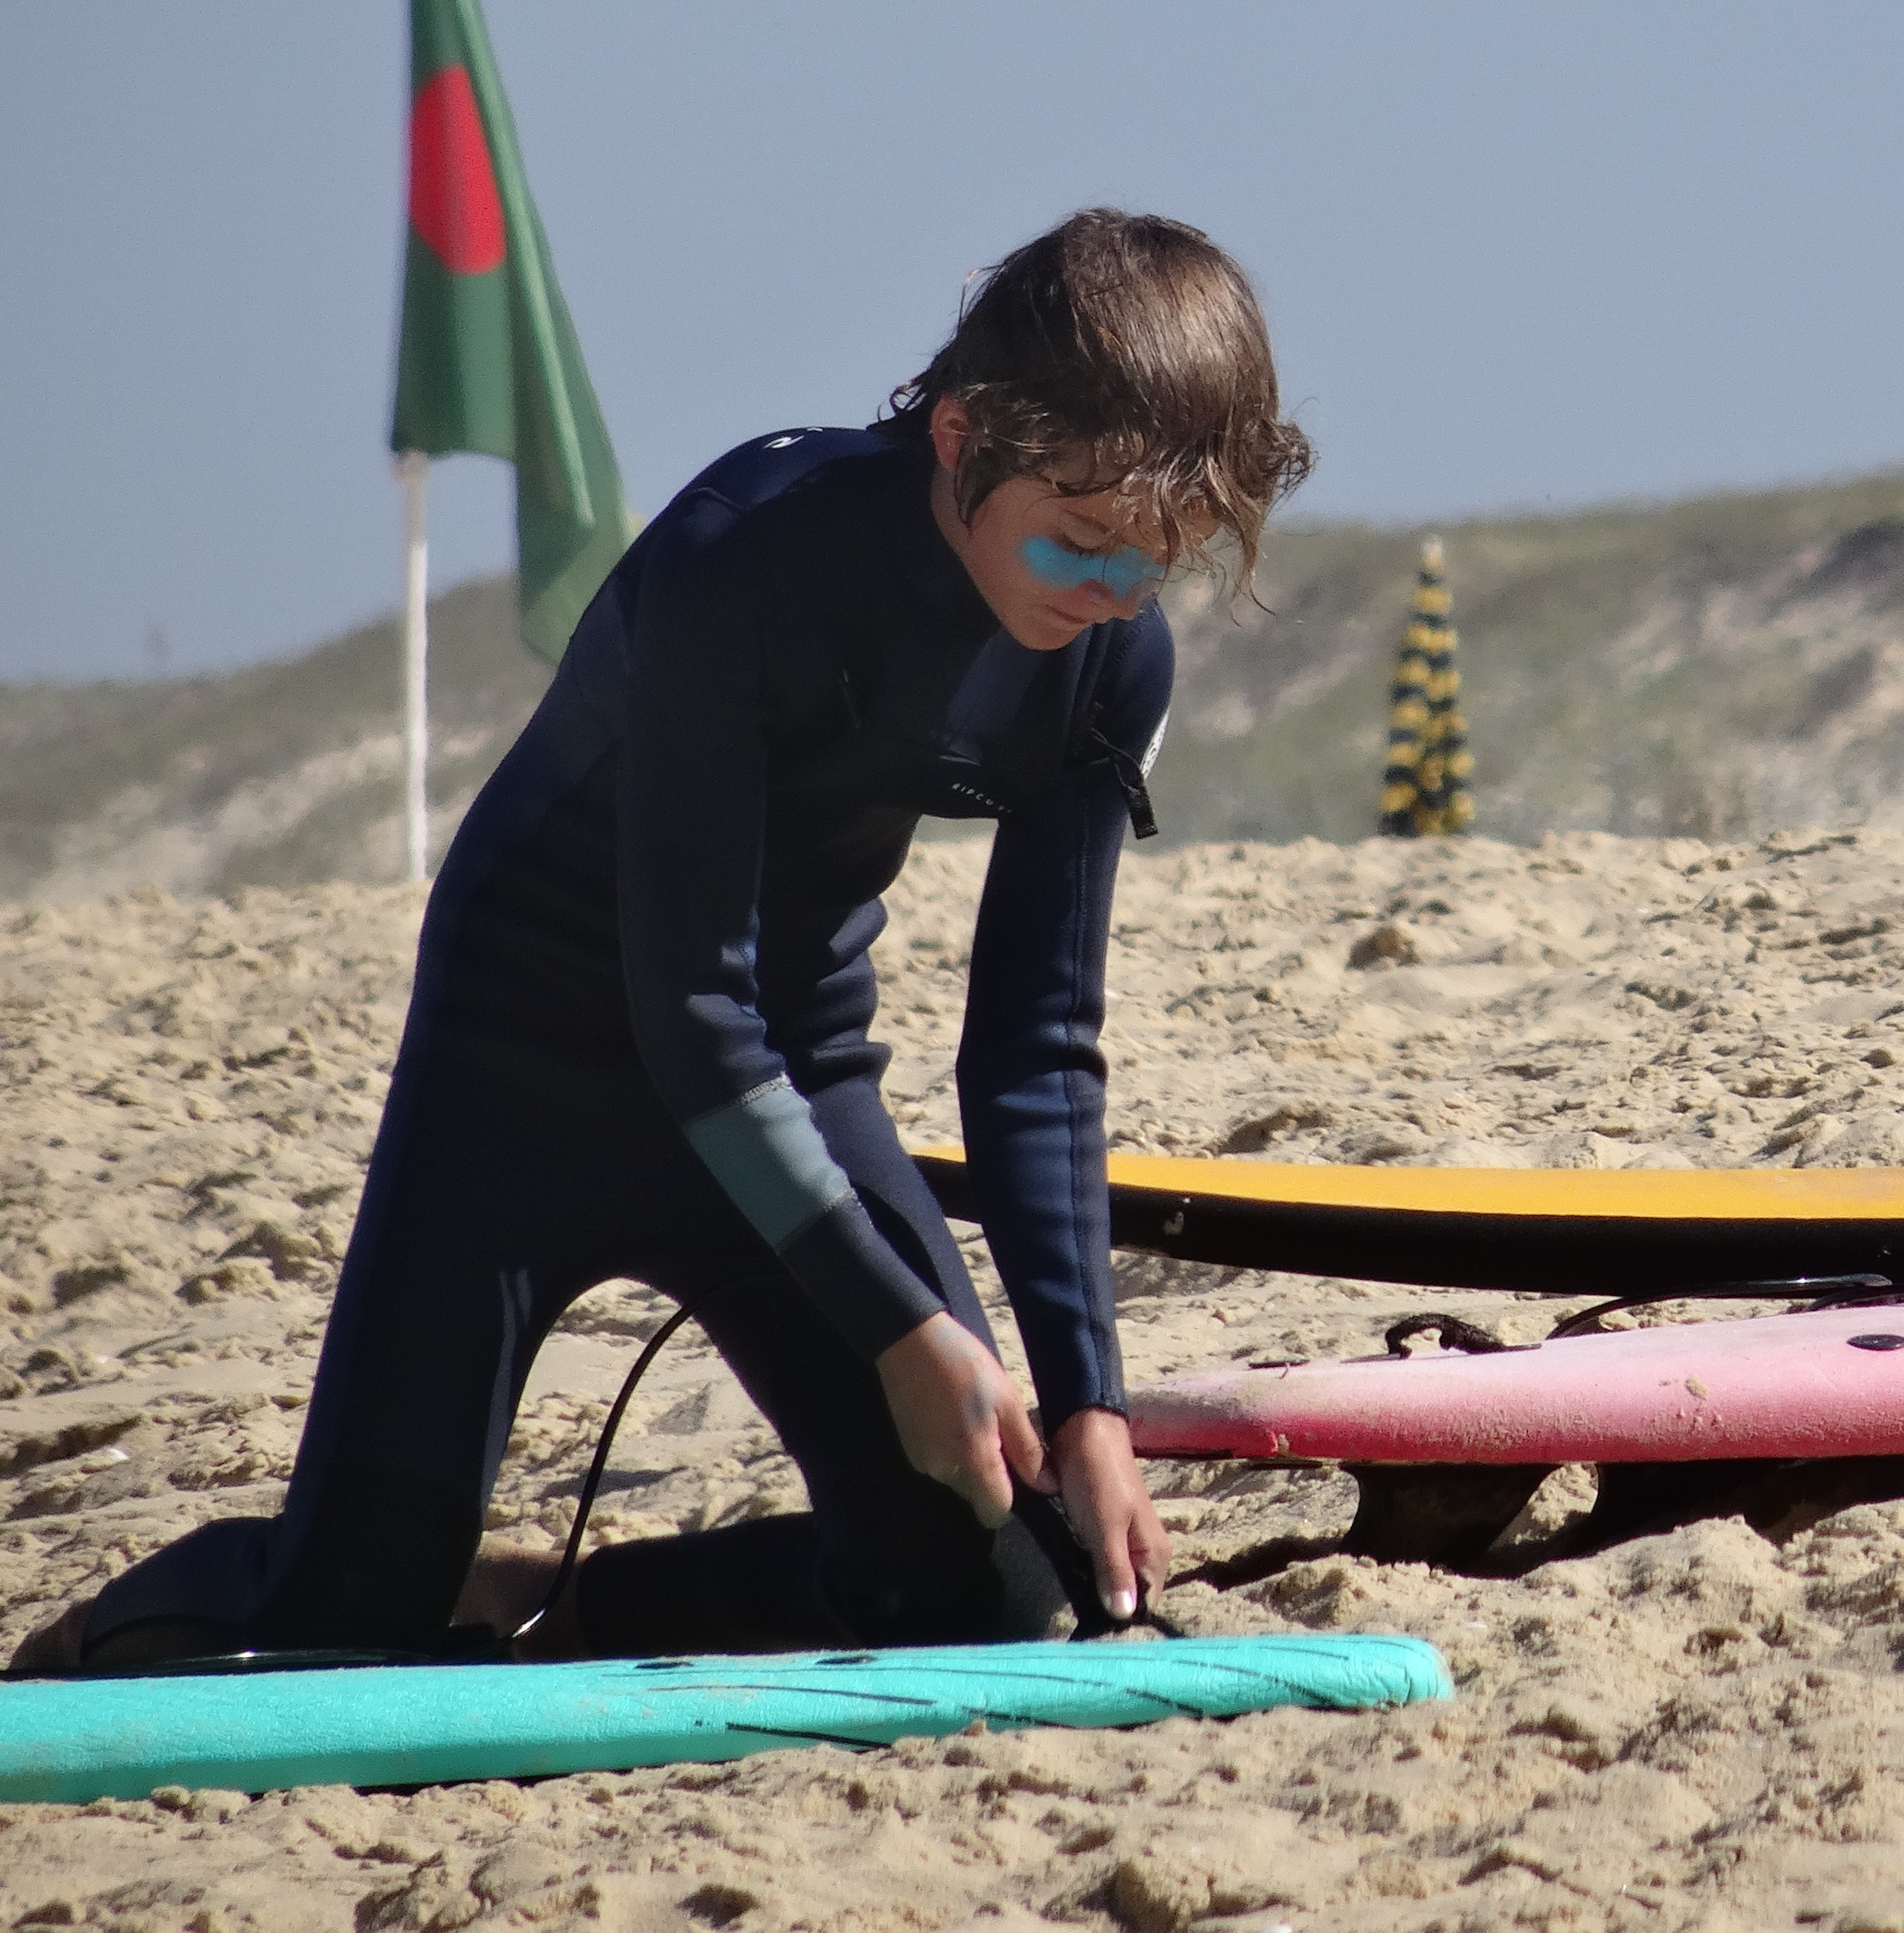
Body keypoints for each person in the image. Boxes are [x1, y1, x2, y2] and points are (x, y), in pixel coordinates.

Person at [20, 209, 1311, 1671]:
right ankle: (95, 1645)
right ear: (959, 440)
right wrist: (902, 1324)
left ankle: (571, 1611)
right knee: (347, 1611)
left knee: (1003, 1592)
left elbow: (1032, 1050)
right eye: (1079, 544)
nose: (1108, 598)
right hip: (529, 1064)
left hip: (795, 1085)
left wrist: (1090, 1403)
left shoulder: (1108, 661)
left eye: (1155, 566)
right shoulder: (746, 557)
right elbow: (690, 999)